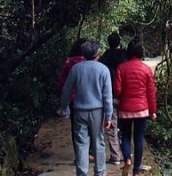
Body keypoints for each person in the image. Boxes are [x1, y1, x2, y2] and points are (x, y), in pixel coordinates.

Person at [59, 40, 113, 176]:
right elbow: (107, 96)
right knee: (98, 142)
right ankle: (100, 172)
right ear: (97, 54)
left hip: (79, 111)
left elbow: (66, 90)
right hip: (97, 111)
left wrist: (64, 108)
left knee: (81, 144)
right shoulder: (103, 70)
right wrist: (108, 116)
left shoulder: (76, 69)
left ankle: (82, 172)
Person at [113, 39, 157, 176]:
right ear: (141, 52)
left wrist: (123, 98)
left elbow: (117, 91)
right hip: (142, 110)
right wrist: (153, 111)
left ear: (128, 52)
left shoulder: (121, 68)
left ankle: (127, 159)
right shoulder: (146, 70)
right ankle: (136, 170)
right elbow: (151, 92)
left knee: (125, 136)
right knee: (138, 137)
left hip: (125, 109)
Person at [99, 32, 128, 166]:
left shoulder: (104, 58)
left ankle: (115, 156)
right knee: (125, 125)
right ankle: (127, 153)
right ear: (119, 42)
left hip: (109, 95)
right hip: (124, 95)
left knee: (112, 125)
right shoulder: (125, 56)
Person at [59, 38, 88, 154]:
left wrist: (63, 102)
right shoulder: (90, 63)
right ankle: (90, 151)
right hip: (89, 97)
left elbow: (62, 83)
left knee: (76, 128)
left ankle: (79, 152)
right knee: (91, 126)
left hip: (74, 99)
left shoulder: (68, 63)